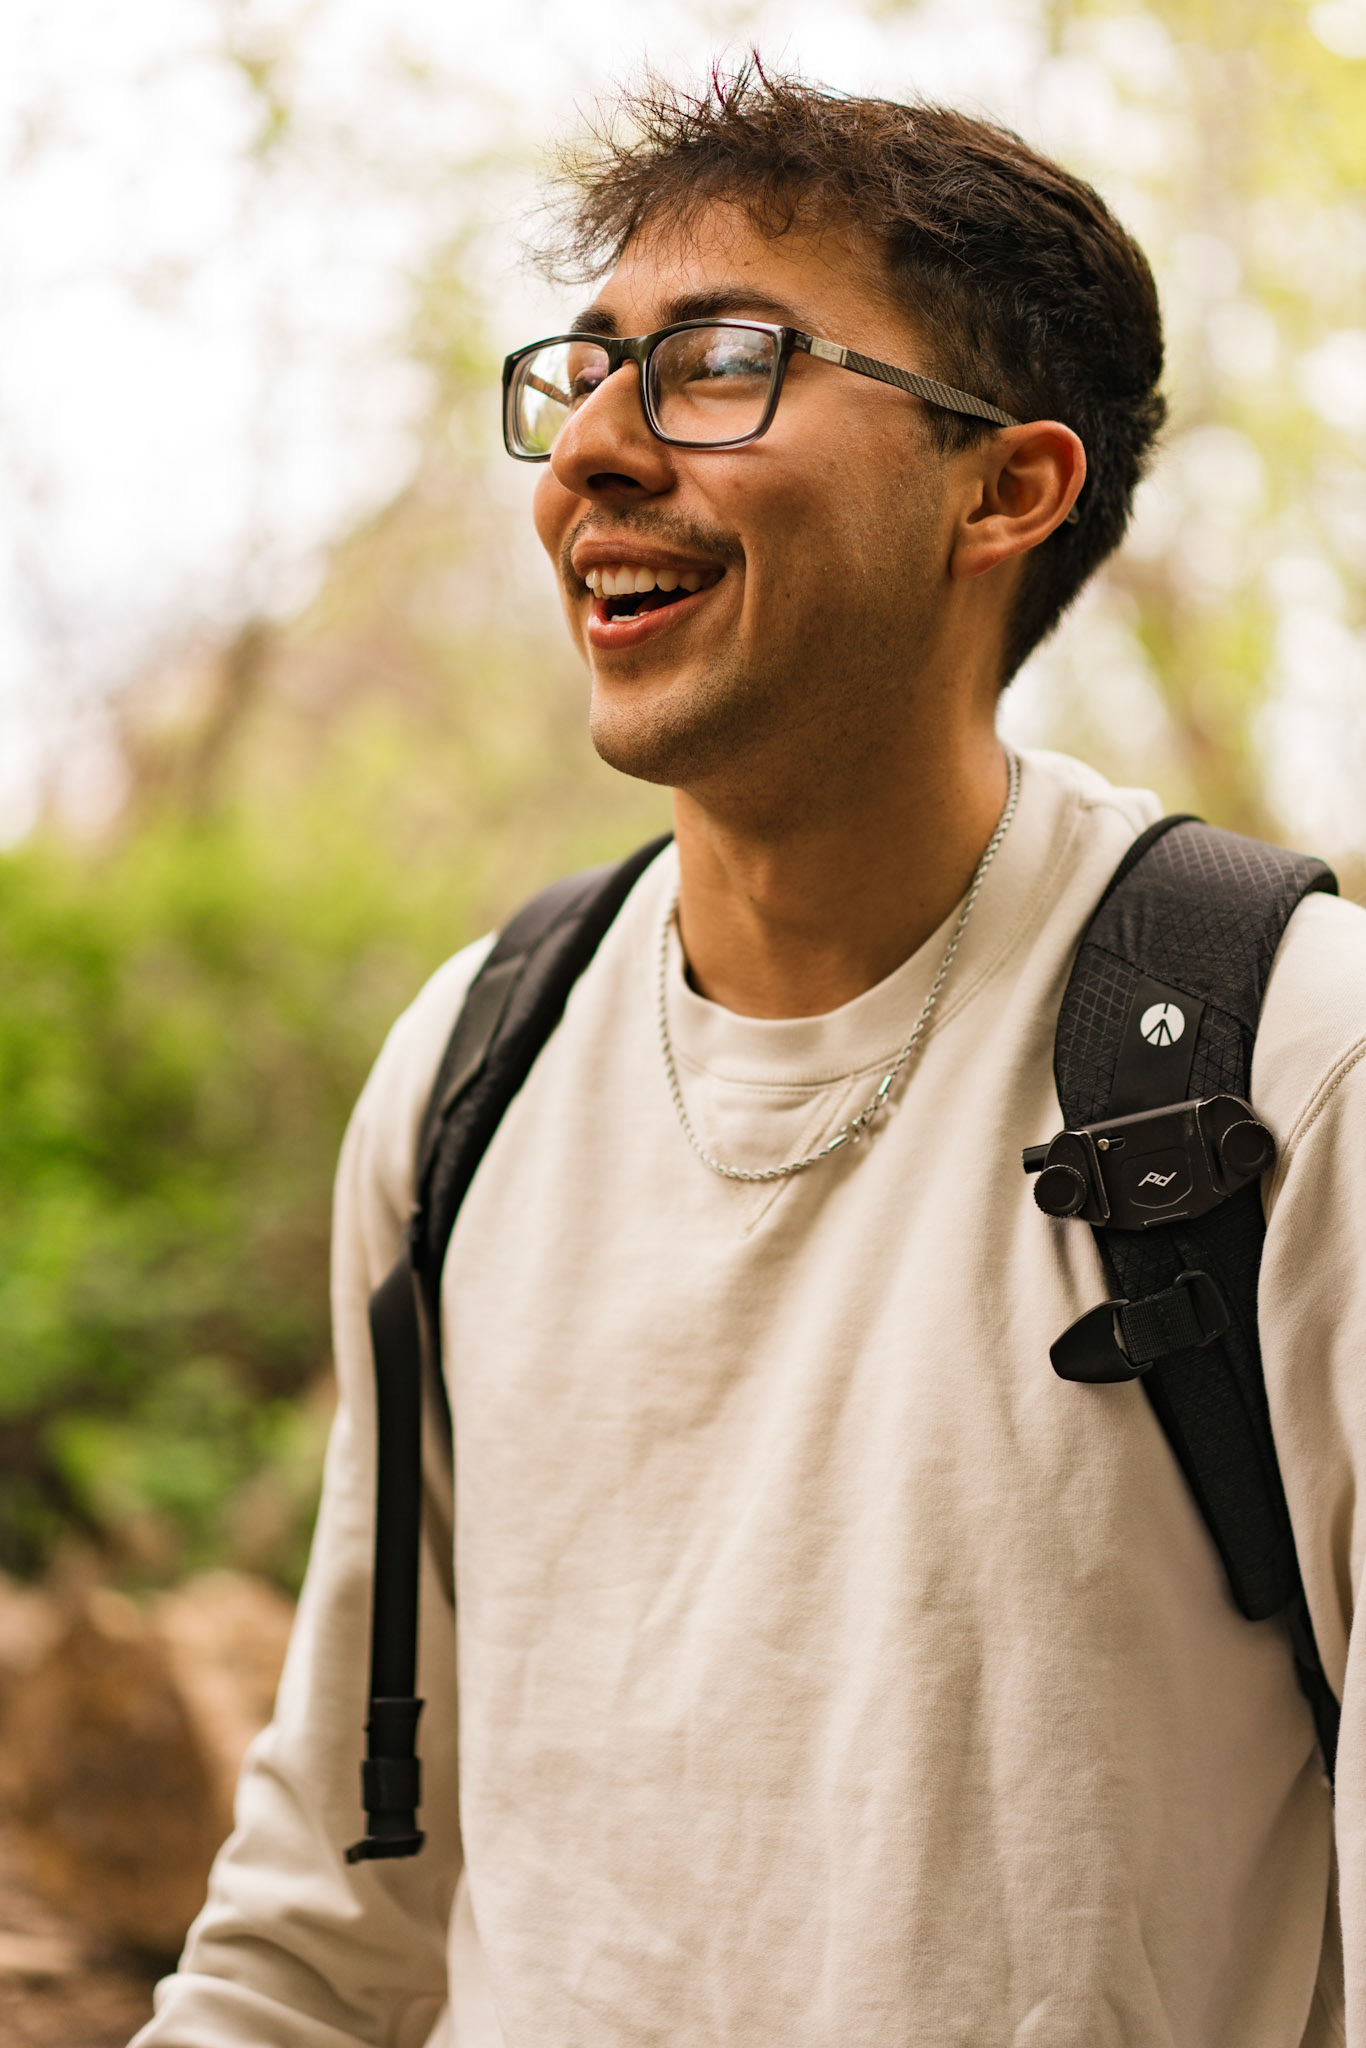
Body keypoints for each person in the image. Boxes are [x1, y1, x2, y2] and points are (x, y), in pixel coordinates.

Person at [133, 64, 1363, 2048]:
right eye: (586, 373)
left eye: (720, 363)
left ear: (1005, 488)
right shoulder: (470, 1067)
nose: (590, 454)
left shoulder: (1287, 1067)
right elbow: (333, 1915)